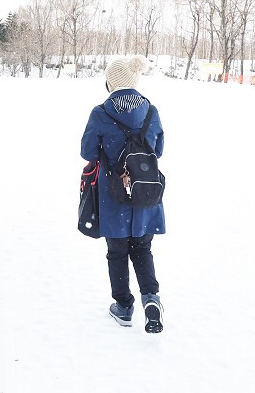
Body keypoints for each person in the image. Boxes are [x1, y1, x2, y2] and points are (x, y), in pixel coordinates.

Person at [80, 54, 166, 333]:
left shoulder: (100, 113)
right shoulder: (151, 111)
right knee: (142, 248)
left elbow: (88, 152)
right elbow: (159, 150)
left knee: (117, 253)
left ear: (110, 83)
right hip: (145, 194)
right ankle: (150, 299)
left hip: (113, 194)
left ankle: (124, 306)